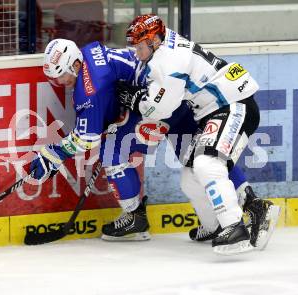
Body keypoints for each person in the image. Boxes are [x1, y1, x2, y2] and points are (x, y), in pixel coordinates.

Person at [30, 38, 277, 251]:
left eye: (62, 75)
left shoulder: (88, 88)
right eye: (55, 77)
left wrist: (52, 154)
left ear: (74, 64)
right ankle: (251, 203)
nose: (61, 82)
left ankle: (134, 219)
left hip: (156, 105)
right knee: (204, 156)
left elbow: (86, 137)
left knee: (113, 153)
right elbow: (115, 86)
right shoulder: (89, 54)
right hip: (177, 100)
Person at [118, 14, 280, 254]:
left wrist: (137, 100)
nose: (136, 51)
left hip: (232, 105)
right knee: (190, 177)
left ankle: (235, 227)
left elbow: (162, 107)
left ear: (154, 41)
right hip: (218, 109)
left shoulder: (169, 60)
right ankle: (215, 225)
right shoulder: (165, 47)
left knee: (206, 163)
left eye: (140, 46)